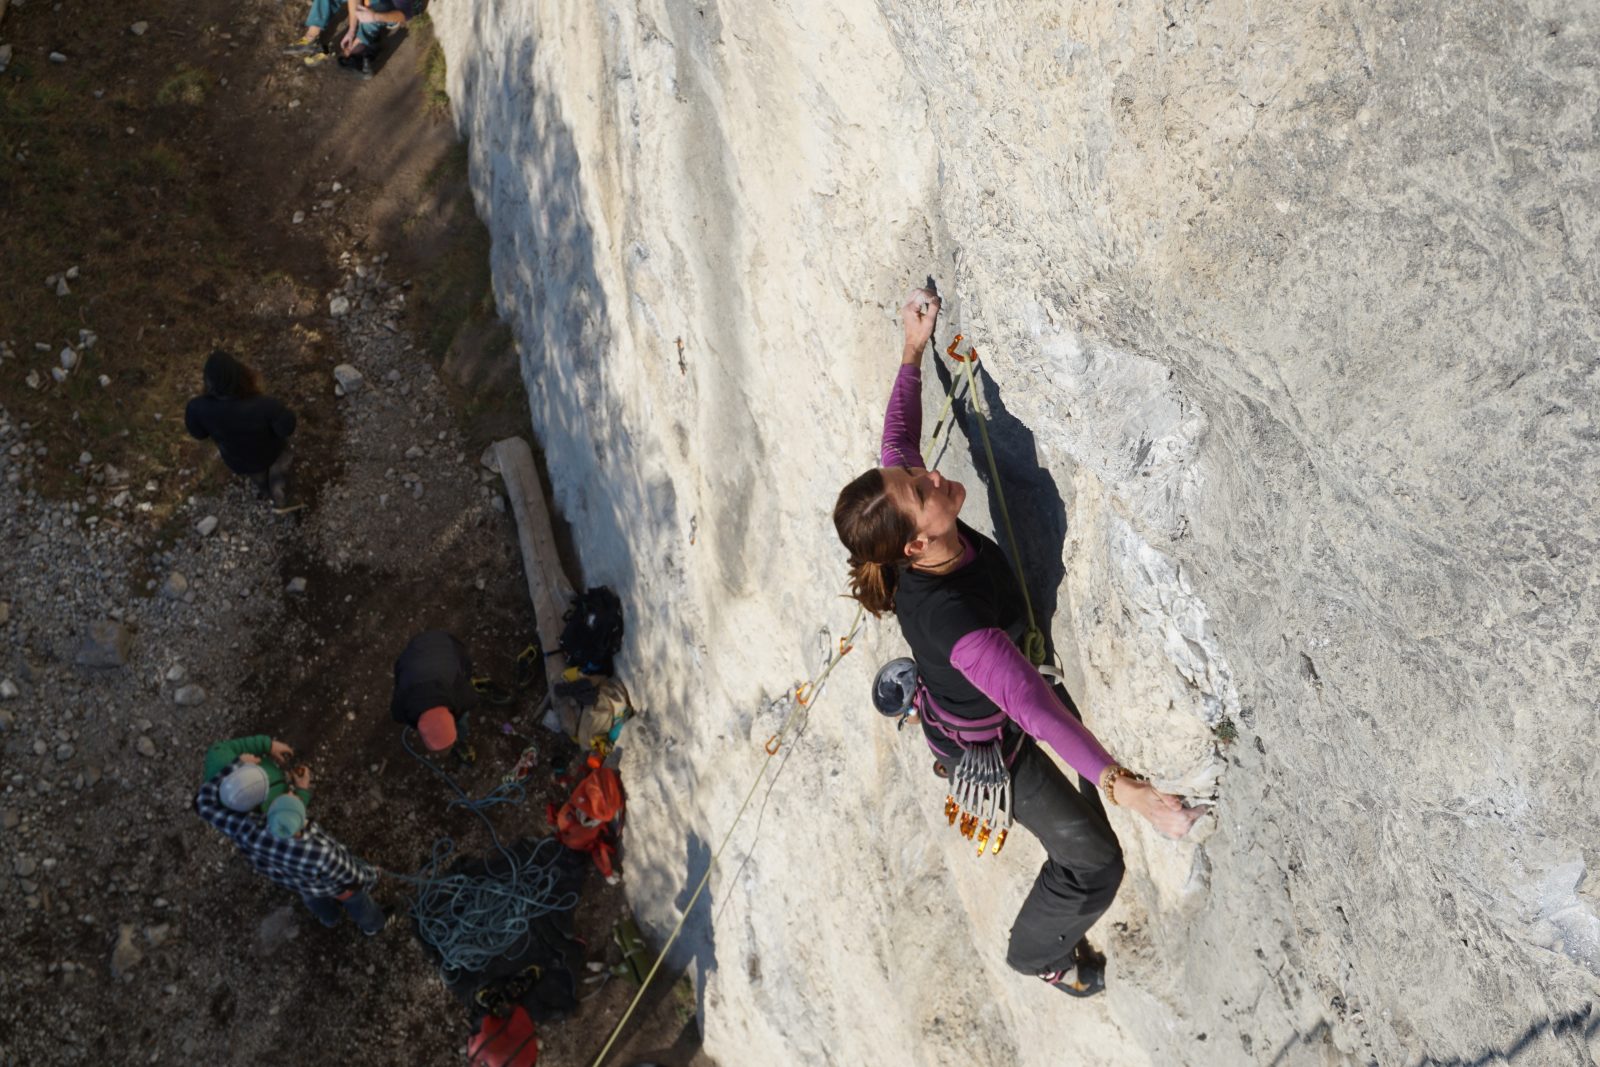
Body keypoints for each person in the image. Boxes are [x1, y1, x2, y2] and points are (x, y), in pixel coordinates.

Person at [832, 287, 1201, 997]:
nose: (933, 473)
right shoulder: (964, 633)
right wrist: (1134, 792)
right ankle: (1037, 955)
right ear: (916, 542)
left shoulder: (910, 534)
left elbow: (895, 443)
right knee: (1095, 860)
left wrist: (912, 351)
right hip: (991, 743)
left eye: (917, 475)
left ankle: (926, 694)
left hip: (974, 685)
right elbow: (1035, 711)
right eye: (923, 488)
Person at [194, 759, 386, 934]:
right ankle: (373, 926)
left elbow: (203, 803)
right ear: (302, 822)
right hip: (333, 886)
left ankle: (330, 919)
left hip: (298, 883)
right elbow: (353, 877)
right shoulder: (322, 853)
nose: (291, 792)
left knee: (313, 900)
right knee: (356, 899)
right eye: (293, 797)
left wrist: (238, 763)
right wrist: (372, 875)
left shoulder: (248, 830)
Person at [183, 350, 297, 506]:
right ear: (241, 375)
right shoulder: (266, 405)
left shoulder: (196, 408)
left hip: (239, 461)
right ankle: (280, 495)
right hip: (271, 452)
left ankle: (267, 493)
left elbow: (199, 434)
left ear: (208, 383)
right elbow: (287, 429)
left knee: (257, 476)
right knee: (281, 462)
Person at [391, 630, 478, 762]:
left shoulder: (461, 695)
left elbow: (471, 696)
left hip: (444, 646)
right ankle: (459, 740)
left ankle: (459, 739)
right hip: (419, 648)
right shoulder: (402, 705)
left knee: (462, 718)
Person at [283, 0, 418, 79]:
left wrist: (375, 16)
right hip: (370, 5)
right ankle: (311, 37)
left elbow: (405, 15)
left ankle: (360, 46)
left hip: (388, 9)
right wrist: (351, 29)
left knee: (371, 13)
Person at [201, 734, 310, 813]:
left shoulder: (219, 757)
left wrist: (268, 745)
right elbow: (290, 822)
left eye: (255, 766)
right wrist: (302, 791)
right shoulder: (267, 814)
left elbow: (230, 746)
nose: (256, 760)